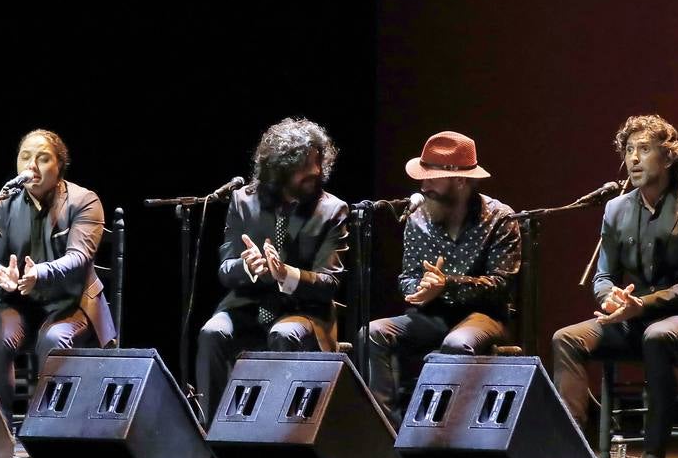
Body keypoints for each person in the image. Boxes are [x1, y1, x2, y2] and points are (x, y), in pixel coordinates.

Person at [552, 115, 678, 458]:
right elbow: (603, 275)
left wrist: (641, 305)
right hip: (634, 317)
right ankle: (571, 451)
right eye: (629, 150)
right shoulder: (616, 208)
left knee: (658, 335)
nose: (633, 158)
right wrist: (610, 297)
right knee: (566, 338)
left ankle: (654, 455)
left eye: (644, 150)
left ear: (668, 158)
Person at [196, 118, 349, 422]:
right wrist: (247, 267)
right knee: (212, 332)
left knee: (284, 332)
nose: (316, 171)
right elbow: (226, 270)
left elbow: (330, 282)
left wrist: (286, 274)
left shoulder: (332, 210)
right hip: (248, 306)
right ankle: (212, 438)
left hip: (304, 310)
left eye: (318, 162)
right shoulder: (243, 201)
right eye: (305, 166)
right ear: (280, 170)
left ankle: (280, 431)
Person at [367, 130, 521, 427]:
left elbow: (501, 285)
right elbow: (409, 276)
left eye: (432, 178)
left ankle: (445, 437)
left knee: (457, 342)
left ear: (461, 181)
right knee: (372, 333)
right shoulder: (417, 218)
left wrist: (446, 284)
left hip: (484, 316)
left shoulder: (500, 218)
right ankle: (390, 436)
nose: (424, 186)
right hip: (432, 314)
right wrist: (419, 291)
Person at [0, 130, 116, 419]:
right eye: (25, 157)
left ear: (59, 165)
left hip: (72, 302)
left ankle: (50, 430)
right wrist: (2, 276)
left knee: (53, 340)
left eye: (42, 159)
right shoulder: (3, 202)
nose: (31, 166)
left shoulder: (84, 201)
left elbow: (78, 258)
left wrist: (39, 273)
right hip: (21, 303)